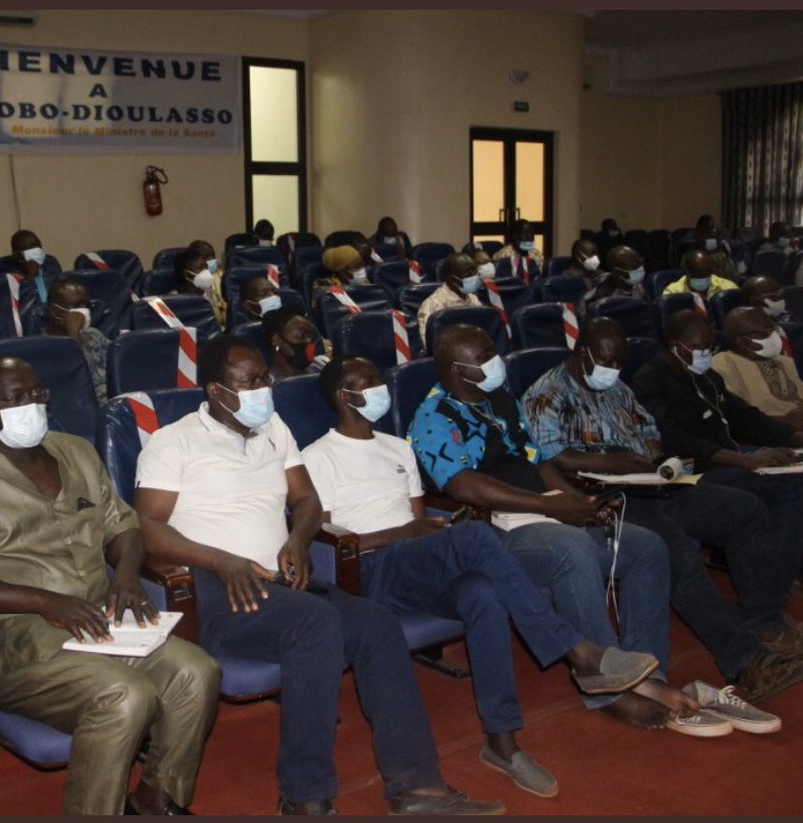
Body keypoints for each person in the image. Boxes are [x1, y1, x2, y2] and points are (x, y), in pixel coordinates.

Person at [134, 335, 505, 815]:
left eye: (265, 379)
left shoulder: (274, 428)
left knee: (376, 623)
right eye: (249, 382)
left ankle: (417, 788)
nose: (262, 390)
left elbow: (306, 500)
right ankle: (305, 797)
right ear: (215, 391)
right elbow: (150, 529)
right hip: (220, 589)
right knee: (317, 624)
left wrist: (298, 540)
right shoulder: (173, 442)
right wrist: (223, 561)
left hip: (284, 584)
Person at [305, 356, 664, 796]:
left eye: (379, 378)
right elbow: (326, 542)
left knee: (483, 594)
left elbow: (420, 520)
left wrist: (423, 533)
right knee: (475, 536)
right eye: (369, 381)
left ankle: (501, 740)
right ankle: (579, 652)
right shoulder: (316, 457)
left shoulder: (398, 448)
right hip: (371, 569)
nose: (380, 387)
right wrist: (403, 534)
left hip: (417, 562)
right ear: (343, 395)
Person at [0, 357, 219, 815]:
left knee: (197, 671)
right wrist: (45, 602)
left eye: (36, 394)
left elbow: (123, 527)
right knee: (125, 695)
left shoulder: (76, 452)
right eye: (15, 399)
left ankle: (155, 798)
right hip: (21, 640)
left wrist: (127, 575)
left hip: (102, 618)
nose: (31, 405)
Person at [410, 324, 718, 733]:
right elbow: (463, 486)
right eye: (483, 357)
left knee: (646, 547)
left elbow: (538, 461)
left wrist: (577, 502)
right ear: (456, 369)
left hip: (545, 513)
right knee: (570, 548)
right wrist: (550, 506)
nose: (495, 361)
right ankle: (608, 689)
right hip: (495, 529)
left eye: (492, 352)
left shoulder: (499, 399)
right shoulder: (433, 417)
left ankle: (647, 677)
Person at [523, 317, 803, 710]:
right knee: (676, 549)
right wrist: (622, 463)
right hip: (609, 496)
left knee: (745, 510)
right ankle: (746, 660)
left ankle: (761, 619)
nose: (612, 370)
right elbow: (556, 458)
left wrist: (654, 457)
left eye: (618, 362)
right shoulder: (546, 393)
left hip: (653, 483)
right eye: (605, 362)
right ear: (582, 353)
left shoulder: (616, 387)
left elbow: (649, 431)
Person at [634, 310, 803, 613]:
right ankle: (767, 601)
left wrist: (802, 439)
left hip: (730, 458)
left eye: (710, 346)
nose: (706, 353)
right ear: (675, 345)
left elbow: (746, 417)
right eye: (699, 347)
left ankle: (798, 575)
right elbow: (673, 439)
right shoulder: (650, 380)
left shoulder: (707, 377)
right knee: (793, 489)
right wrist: (744, 461)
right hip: (690, 470)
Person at [712, 307, 803, 429]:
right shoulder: (723, 364)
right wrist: (785, 421)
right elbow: (736, 419)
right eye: (764, 333)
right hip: (773, 433)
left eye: (773, 330)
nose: (773, 336)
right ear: (741, 340)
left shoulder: (784, 360)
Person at [44, 278, 109, 405]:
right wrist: (73, 332)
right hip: (85, 405)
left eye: (86, 305)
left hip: (114, 399)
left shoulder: (94, 334)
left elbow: (118, 365)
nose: (83, 311)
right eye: (76, 305)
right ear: (55, 311)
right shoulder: (44, 348)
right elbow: (76, 382)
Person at [413, 252, 483, 343]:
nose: (474, 276)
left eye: (475, 271)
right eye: (468, 273)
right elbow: (427, 342)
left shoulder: (473, 298)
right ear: (451, 278)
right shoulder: (433, 304)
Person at [262, 308, 326, 382]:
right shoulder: (268, 383)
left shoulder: (321, 364)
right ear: (276, 340)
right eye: (300, 336)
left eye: (311, 335)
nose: (309, 340)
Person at [8, 229, 60, 307]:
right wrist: (31, 275)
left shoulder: (50, 267)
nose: (37, 249)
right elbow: (22, 307)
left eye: (38, 245)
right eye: (31, 247)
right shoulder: (9, 278)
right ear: (18, 255)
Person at [662, 250, 738, 301]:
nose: (702, 278)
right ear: (686, 272)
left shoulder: (727, 287)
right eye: (697, 275)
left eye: (706, 274)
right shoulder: (673, 293)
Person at [311, 245, 366, 312]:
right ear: (340, 271)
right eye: (356, 268)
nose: (361, 270)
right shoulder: (323, 286)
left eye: (362, 266)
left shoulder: (364, 282)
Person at [186, 239, 226, 327]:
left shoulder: (224, 279)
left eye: (211, 256)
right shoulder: (181, 295)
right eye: (206, 257)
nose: (209, 261)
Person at [694, 216, 741, 281]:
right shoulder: (692, 249)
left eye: (712, 228)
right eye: (707, 229)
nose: (713, 230)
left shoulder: (722, 245)